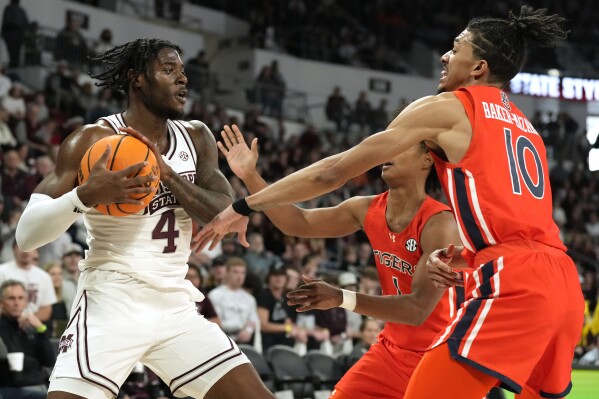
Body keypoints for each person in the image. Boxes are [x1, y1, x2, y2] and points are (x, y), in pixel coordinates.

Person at [195, 7, 584, 399]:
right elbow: (522, 230)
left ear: (479, 67)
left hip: (515, 281)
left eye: (456, 47)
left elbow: (333, 172)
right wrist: (466, 258)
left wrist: (243, 206)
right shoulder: (527, 128)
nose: (445, 56)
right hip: (562, 281)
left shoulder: (451, 108)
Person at [15, 38, 274, 399]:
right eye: (169, 71)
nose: (183, 80)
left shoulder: (196, 137)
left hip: (175, 305)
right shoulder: (92, 139)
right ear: (137, 79)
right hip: (111, 300)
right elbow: (26, 236)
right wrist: (84, 195)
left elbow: (223, 215)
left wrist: (167, 175)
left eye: (183, 73)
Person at [217, 125, 461, 397]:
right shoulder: (366, 208)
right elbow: (297, 222)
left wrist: (341, 297)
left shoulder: (440, 223)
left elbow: (417, 309)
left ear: (427, 159)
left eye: (400, 145)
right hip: (391, 351)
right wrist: (251, 176)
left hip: (437, 353)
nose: (387, 151)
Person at [0, 280, 56, 399]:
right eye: (11, 298)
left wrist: (41, 329)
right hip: (11, 388)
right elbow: (9, 356)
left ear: (25, 302)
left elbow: (49, 361)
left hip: (38, 385)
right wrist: (34, 364)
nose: (17, 303)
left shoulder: (30, 327)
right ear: (2, 302)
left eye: (20, 298)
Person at [0, 241, 56, 325]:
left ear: (36, 251)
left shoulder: (44, 277)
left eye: (30, 247)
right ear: (13, 249)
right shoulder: (2, 271)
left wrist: (28, 320)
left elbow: (47, 309)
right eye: (22, 247)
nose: (26, 251)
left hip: (33, 327)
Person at [207, 257, 260, 345]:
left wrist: (248, 331)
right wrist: (240, 326)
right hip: (221, 340)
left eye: (242, 273)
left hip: (244, 342)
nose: (239, 276)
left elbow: (253, 319)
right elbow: (216, 321)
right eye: (235, 272)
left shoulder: (250, 298)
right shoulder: (215, 295)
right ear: (227, 273)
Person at [1, 0, 28, 68]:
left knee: (16, 53)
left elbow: (25, 23)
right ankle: (13, 65)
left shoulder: (20, 10)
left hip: (17, 33)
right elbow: (5, 21)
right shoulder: (9, 9)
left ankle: (14, 66)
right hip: (11, 32)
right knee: (12, 53)